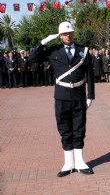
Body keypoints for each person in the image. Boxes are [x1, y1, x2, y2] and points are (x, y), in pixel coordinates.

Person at [29, 21, 95, 177]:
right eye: (65, 33)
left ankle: (79, 162)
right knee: (65, 129)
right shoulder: (53, 50)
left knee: (79, 129)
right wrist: (43, 42)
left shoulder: (83, 51)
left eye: (70, 32)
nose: (68, 35)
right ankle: (68, 163)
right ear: (60, 36)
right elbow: (33, 58)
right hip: (61, 97)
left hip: (78, 96)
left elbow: (90, 76)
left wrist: (90, 95)